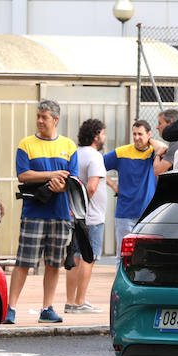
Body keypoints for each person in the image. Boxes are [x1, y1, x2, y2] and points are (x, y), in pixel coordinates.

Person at [5, 100, 79, 325]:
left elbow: (73, 179)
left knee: (54, 263)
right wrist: (52, 176)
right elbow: (23, 175)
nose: (39, 121)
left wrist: (62, 186)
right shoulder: (26, 144)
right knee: (23, 262)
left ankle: (47, 308)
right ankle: (11, 308)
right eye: (38, 116)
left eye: (44, 117)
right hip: (33, 212)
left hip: (60, 214)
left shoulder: (69, 145)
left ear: (55, 120)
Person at [65, 119, 107, 314]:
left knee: (75, 257)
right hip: (92, 217)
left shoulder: (76, 154)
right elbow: (91, 187)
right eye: (103, 134)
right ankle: (80, 302)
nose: (104, 137)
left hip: (75, 216)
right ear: (96, 135)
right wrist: (83, 206)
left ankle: (71, 301)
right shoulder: (95, 157)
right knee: (87, 258)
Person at [104, 120, 162, 240]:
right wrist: (114, 186)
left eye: (140, 134)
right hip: (125, 213)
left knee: (145, 253)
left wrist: (149, 141)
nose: (136, 138)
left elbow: (163, 147)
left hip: (148, 213)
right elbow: (96, 166)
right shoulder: (122, 152)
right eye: (134, 134)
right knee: (122, 255)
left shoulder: (154, 153)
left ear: (149, 134)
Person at [153, 109, 178, 175]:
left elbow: (157, 171)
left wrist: (157, 154)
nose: (157, 127)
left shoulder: (177, 142)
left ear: (170, 123)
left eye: (160, 123)